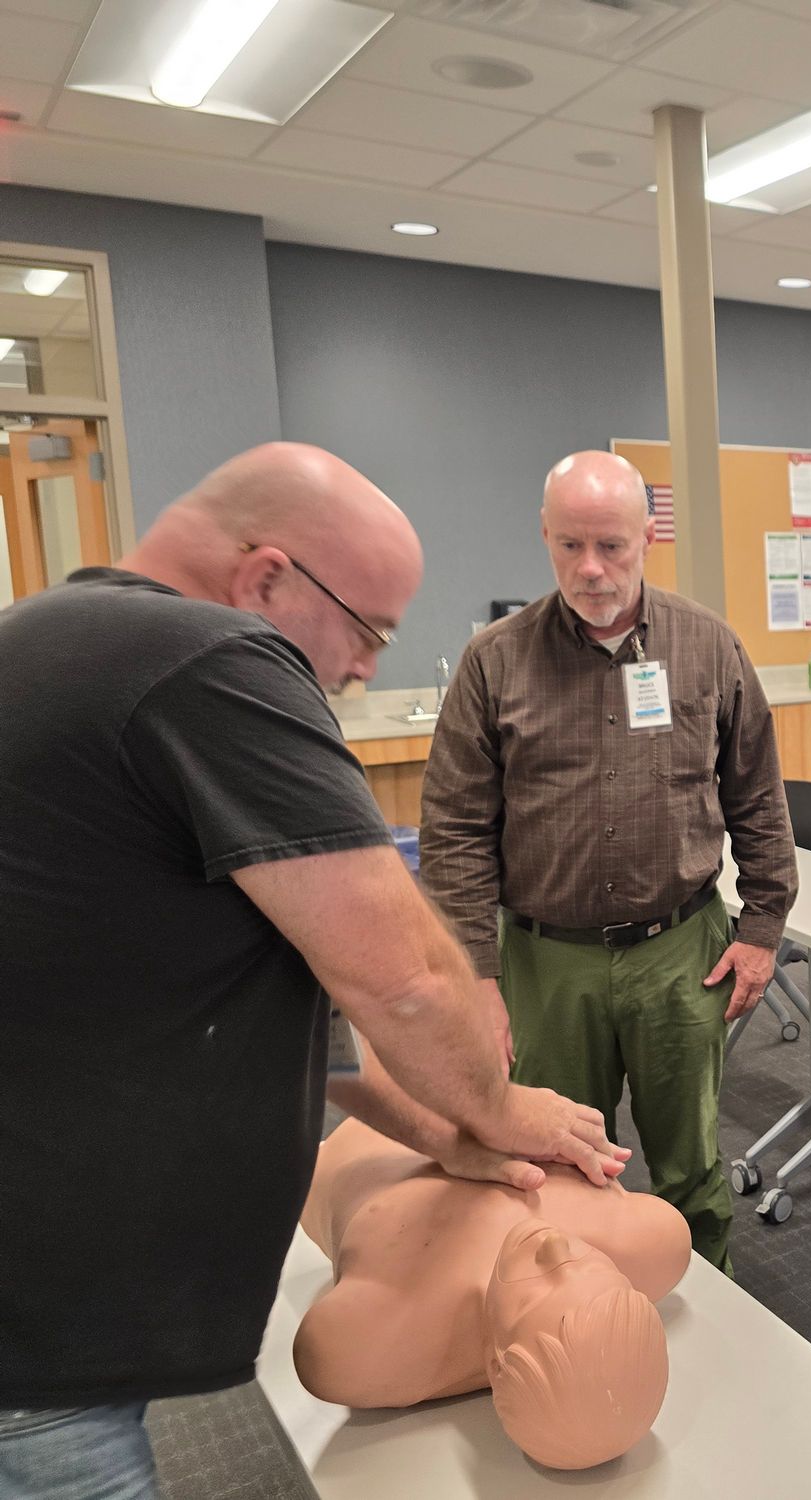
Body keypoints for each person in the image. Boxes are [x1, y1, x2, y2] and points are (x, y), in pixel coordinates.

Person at [0, 443, 627, 1500]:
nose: (364, 669)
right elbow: (402, 981)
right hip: (39, 1333)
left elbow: (281, 998)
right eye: (369, 630)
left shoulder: (49, 633)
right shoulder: (211, 660)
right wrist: (496, 1104)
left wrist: (448, 1133)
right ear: (265, 580)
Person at [422, 450, 798, 1274]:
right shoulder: (495, 661)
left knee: (692, 1169)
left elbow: (758, 797)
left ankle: (709, 1310)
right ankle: (577, 1320)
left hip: (680, 953)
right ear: (545, 537)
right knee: (559, 1168)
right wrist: (474, 975)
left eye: (611, 546)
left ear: (647, 537)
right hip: (546, 963)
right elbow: (453, 832)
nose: (590, 569)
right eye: (570, 546)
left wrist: (763, 928)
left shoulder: (707, 645)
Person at [296, 1117, 692, 1469]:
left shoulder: (384, 1331)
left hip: (349, 1143)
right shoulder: (648, 1246)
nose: (555, 1244)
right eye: (596, 1270)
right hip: (471, 1104)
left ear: (494, 1364)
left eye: (538, 1291)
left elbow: (325, 1356)